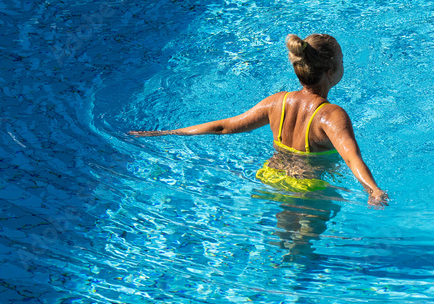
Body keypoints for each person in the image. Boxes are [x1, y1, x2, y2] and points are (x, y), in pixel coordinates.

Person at [129, 33, 388, 206]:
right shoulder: (331, 115)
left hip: (271, 176)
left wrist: (164, 133)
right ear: (330, 70)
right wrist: (372, 190)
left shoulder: (278, 102)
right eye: (342, 60)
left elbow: (223, 127)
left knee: (283, 237)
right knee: (303, 247)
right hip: (308, 188)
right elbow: (352, 158)